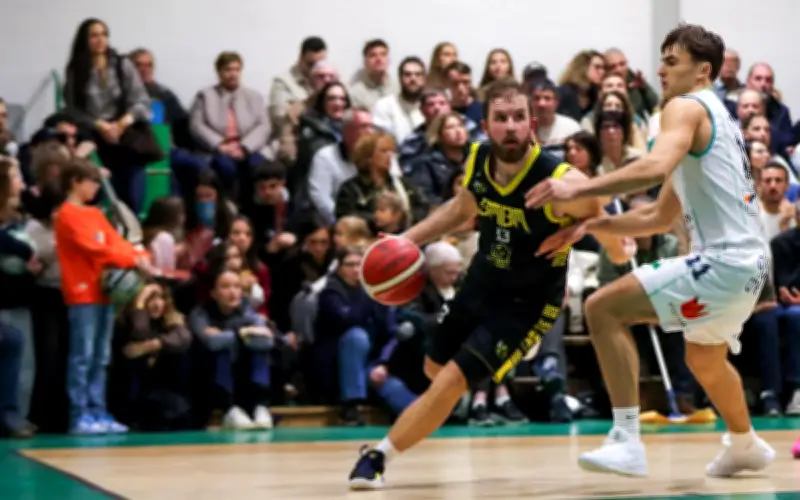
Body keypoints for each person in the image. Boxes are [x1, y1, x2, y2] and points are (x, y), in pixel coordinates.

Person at [347, 78, 631, 489]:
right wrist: (406, 239)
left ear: (532, 123)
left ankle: (377, 457)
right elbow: (462, 209)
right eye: (501, 118)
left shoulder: (558, 180)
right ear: (487, 123)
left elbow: (617, 242)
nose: (511, 126)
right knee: (433, 370)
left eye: (519, 117)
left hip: (526, 304)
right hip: (481, 281)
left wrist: (585, 227)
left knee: (449, 383)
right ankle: (452, 402)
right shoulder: (478, 157)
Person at [525, 24, 775, 478]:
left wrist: (575, 189)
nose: (660, 70)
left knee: (603, 308)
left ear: (703, 72)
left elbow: (653, 166)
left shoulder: (684, 107)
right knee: (703, 358)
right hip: (751, 266)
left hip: (724, 261)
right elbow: (658, 217)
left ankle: (626, 440)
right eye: (661, 59)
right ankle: (745, 444)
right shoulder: (718, 118)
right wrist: (590, 224)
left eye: (672, 61)